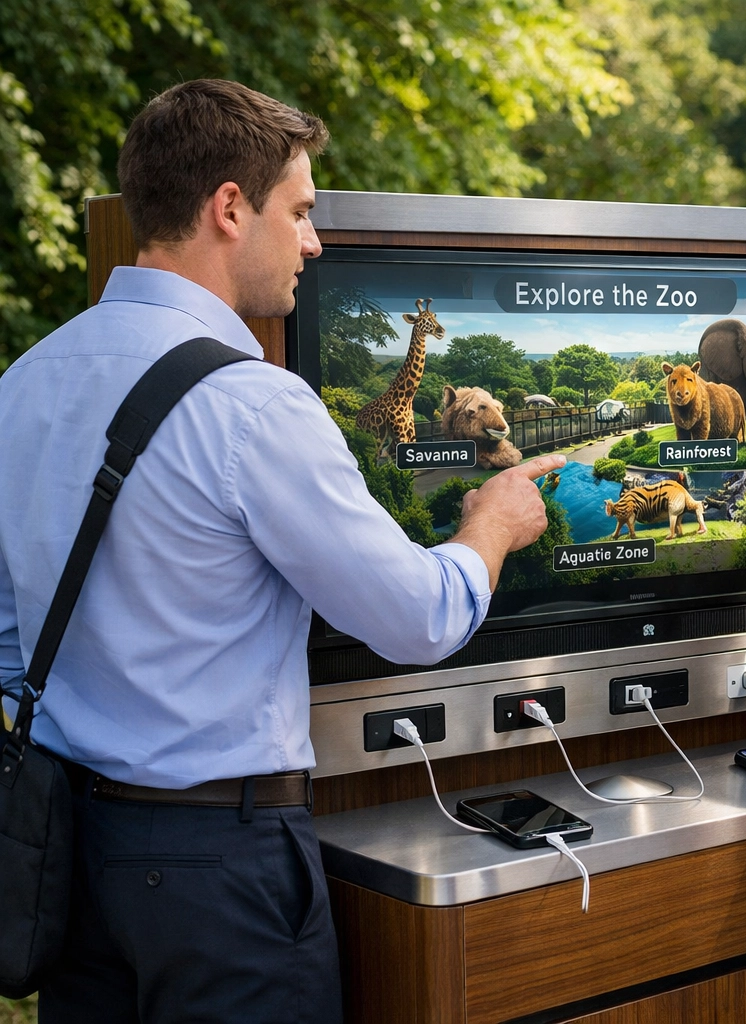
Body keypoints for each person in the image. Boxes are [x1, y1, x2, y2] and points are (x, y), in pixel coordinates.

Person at [0, 80, 562, 1022]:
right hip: (222, 872)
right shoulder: (254, 404)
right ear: (229, 208)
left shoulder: (24, 381)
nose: (314, 241)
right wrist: (490, 527)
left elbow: (12, 645)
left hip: (70, 859)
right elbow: (419, 619)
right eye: (299, 212)